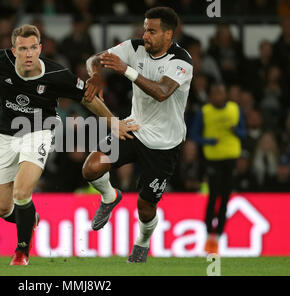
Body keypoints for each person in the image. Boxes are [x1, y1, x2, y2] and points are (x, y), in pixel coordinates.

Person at [0, 24, 138, 266]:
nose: (28, 54)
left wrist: (113, 123)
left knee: (21, 192)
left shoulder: (57, 75)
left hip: (38, 130)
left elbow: (88, 99)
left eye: (32, 48)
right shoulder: (0, 60)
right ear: (14, 50)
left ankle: (21, 253)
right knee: (3, 209)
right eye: (22, 48)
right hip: (3, 135)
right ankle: (30, 218)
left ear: (40, 48)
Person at [82, 7, 193, 263]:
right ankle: (110, 197)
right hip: (134, 128)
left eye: (152, 31)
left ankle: (142, 242)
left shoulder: (181, 61)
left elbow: (162, 92)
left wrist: (125, 70)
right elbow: (94, 59)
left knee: (145, 208)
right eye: (145, 29)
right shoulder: (134, 47)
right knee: (91, 169)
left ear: (168, 34)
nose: (146, 35)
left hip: (165, 144)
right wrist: (96, 75)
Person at [190, 83, 246, 254]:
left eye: (220, 93)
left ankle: (218, 237)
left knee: (226, 199)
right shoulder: (205, 111)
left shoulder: (234, 109)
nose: (217, 97)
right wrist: (209, 141)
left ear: (225, 95)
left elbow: (244, 133)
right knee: (213, 197)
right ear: (210, 96)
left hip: (230, 158)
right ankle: (208, 235)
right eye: (214, 94)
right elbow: (193, 134)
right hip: (213, 160)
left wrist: (236, 131)